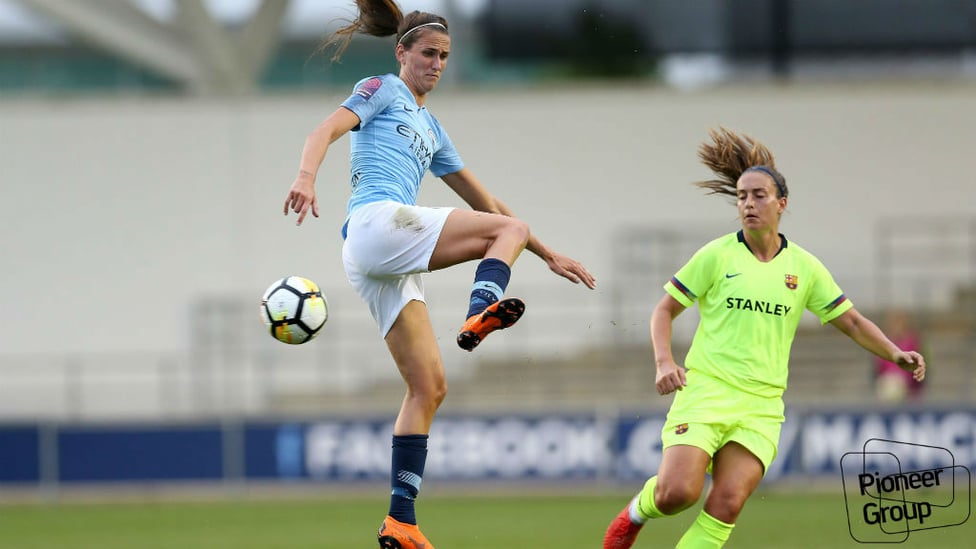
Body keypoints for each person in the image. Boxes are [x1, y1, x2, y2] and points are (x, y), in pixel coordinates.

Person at [282, 1, 596, 547]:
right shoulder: (381, 88)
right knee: (507, 231)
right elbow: (324, 129)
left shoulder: (432, 129)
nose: (437, 64)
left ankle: (400, 520)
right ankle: (479, 313)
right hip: (376, 223)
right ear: (402, 52)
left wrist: (547, 253)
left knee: (428, 387)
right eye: (428, 53)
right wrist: (306, 177)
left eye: (445, 56)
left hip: (376, 257)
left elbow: (492, 205)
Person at [603, 128, 925, 549]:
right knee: (677, 493)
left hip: (761, 406)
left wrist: (895, 353)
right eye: (741, 196)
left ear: (781, 203)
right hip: (707, 391)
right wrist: (665, 361)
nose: (748, 204)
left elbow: (853, 322)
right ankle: (633, 514)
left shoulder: (805, 268)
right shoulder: (717, 255)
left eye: (758, 195)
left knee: (728, 502)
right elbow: (664, 309)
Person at [874, 309, 925, 402]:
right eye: (893, 322)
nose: (896, 326)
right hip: (887, 384)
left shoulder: (912, 341)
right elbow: (878, 367)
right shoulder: (884, 341)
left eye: (898, 322)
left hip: (908, 387)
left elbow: (919, 364)